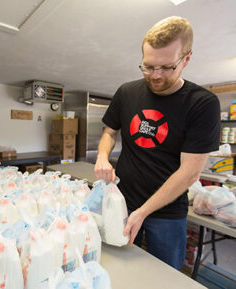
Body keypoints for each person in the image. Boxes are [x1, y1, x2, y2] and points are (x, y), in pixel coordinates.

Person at [94, 16, 220, 269]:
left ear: (186, 58)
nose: (156, 75)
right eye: (148, 66)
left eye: (166, 67)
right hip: (121, 201)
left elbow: (189, 173)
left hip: (166, 214)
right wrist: (101, 157)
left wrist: (143, 211)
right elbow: (110, 131)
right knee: (117, 269)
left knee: (163, 277)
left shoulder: (202, 104)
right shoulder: (127, 92)